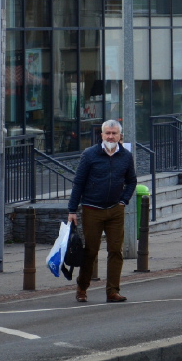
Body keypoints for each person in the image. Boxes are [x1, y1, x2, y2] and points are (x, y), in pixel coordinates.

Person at [68, 120, 137, 303]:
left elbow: (131, 181)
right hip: (92, 209)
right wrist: (72, 209)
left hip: (115, 209)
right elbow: (79, 182)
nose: (110, 136)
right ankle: (82, 287)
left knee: (116, 250)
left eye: (114, 133)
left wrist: (124, 200)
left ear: (120, 136)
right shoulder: (90, 154)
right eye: (107, 133)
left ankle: (112, 291)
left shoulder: (126, 156)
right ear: (102, 135)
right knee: (90, 251)